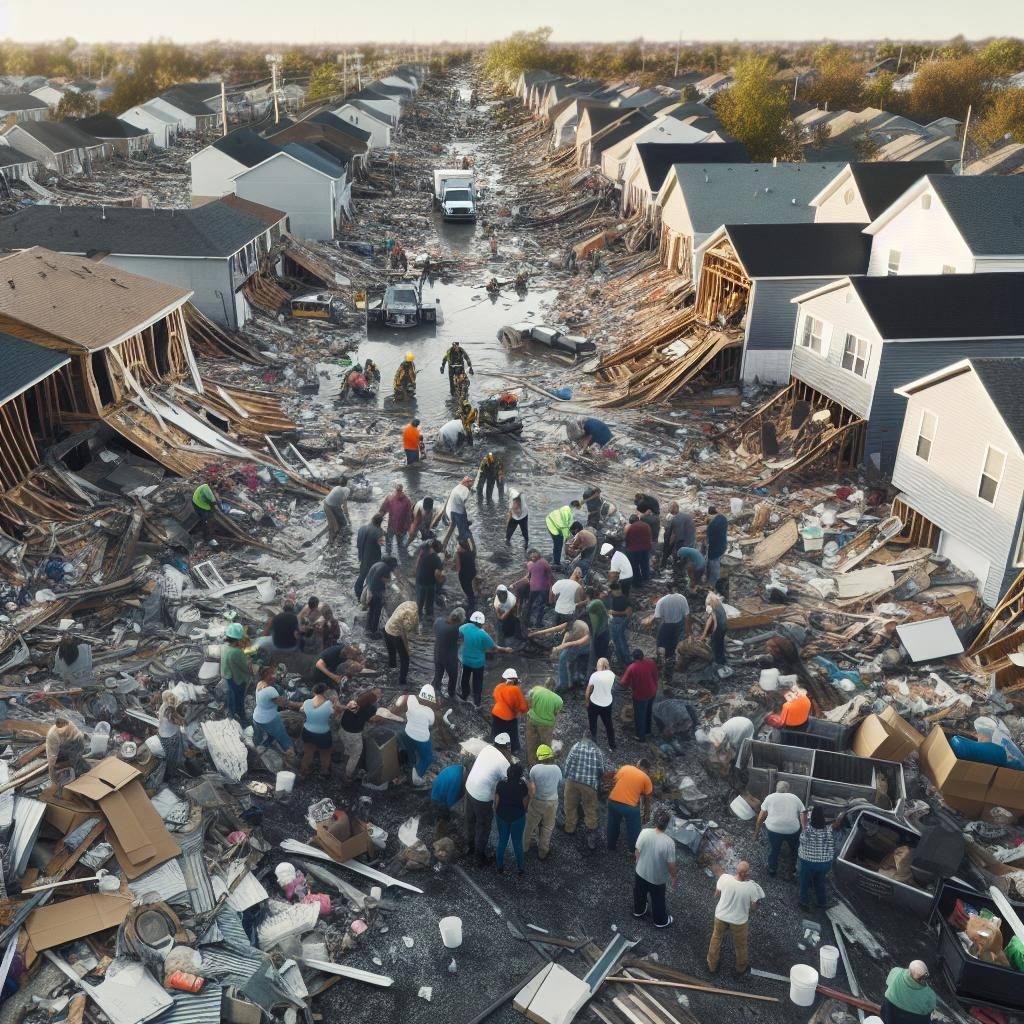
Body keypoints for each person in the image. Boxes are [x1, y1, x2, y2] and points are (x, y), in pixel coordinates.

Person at [706, 862, 764, 977]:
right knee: (740, 945)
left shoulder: (724, 878)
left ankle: (711, 965)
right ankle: (740, 968)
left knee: (716, 938)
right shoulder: (751, 888)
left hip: (721, 916)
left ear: (737, 871)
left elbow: (716, 894)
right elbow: (753, 908)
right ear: (745, 874)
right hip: (739, 921)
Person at [465, 734, 512, 866]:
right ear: (507, 747)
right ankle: (478, 858)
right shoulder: (504, 763)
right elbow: (510, 779)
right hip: (482, 797)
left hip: (469, 788)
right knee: (483, 826)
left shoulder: (486, 749)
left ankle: (469, 847)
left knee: (471, 819)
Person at [633, 808, 677, 928]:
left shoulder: (645, 832)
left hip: (640, 872)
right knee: (658, 899)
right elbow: (671, 864)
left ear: (655, 821)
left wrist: (639, 863)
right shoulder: (669, 843)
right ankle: (660, 921)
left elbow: (637, 851)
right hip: (657, 878)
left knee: (639, 893)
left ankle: (639, 911)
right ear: (667, 825)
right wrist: (673, 877)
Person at [755, 780, 807, 878]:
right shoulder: (794, 798)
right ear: (787, 789)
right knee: (795, 849)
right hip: (792, 830)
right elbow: (803, 812)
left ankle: (772, 869)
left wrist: (756, 832)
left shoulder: (769, 798)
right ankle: (791, 871)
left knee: (774, 849)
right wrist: (804, 829)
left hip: (774, 829)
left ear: (776, 789)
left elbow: (761, 817)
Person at [459, 610, 512, 707]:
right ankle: (477, 702)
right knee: (477, 682)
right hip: (478, 664)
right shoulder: (482, 634)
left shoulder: (463, 627)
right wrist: (505, 649)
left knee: (465, 678)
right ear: (481, 623)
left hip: (465, 660)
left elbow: (458, 638)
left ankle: (464, 695)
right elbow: (494, 648)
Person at [798, 806, 842, 910]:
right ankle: (822, 903)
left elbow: (802, 840)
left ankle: (803, 902)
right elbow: (838, 822)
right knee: (820, 882)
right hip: (825, 864)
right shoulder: (829, 830)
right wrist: (842, 813)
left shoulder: (807, 830)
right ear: (823, 818)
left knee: (804, 883)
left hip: (808, 863)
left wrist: (804, 824)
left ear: (812, 818)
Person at [563, 736, 604, 848]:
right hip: (589, 785)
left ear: (583, 738)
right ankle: (591, 833)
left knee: (570, 806)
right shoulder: (597, 751)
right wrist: (596, 780)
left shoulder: (576, 746)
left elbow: (568, 762)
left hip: (573, 781)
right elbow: (601, 769)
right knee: (590, 808)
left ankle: (569, 828)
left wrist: (566, 776)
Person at [524, 745, 562, 861]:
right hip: (552, 802)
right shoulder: (557, 769)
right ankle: (543, 852)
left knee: (530, 825)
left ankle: (524, 847)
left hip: (537, 801)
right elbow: (559, 782)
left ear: (539, 757)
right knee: (547, 827)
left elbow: (532, 786)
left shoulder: (535, 769)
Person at [607, 759, 653, 852]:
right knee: (634, 829)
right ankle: (633, 850)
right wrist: (647, 813)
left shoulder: (625, 767)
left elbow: (615, 782)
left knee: (612, 825)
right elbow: (647, 799)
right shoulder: (646, 778)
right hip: (630, 808)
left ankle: (611, 846)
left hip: (613, 802)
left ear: (638, 765)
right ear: (646, 769)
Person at [396, 685, 436, 786]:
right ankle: (417, 776)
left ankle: (411, 764)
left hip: (408, 733)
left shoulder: (412, 699)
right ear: (431, 700)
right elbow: (431, 723)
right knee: (427, 758)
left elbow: (401, 700)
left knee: (411, 752)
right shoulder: (430, 712)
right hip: (422, 739)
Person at [495, 761, 529, 875]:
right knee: (517, 843)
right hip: (517, 817)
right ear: (519, 775)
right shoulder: (522, 786)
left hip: (502, 816)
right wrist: (521, 813)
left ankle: (499, 867)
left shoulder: (501, 784)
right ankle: (521, 868)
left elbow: (497, 802)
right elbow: (525, 804)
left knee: (502, 842)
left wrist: (499, 812)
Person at [253, 668, 299, 753]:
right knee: (284, 739)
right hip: (269, 720)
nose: (275, 675)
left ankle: (258, 750)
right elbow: (286, 703)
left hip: (257, 718)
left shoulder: (260, 684)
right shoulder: (270, 690)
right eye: (273, 673)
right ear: (267, 676)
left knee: (260, 737)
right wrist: (305, 704)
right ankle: (291, 757)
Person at [300, 683, 340, 778]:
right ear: (325, 692)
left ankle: (304, 770)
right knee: (325, 753)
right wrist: (335, 701)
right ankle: (324, 771)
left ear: (313, 692)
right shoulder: (328, 704)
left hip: (307, 731)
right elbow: (336, 712)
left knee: (308, 752)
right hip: (323, 733)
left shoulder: (307, 702)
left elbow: (302, 710)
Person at [620, 649, 658, 742]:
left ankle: (640, 736)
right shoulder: (651, 662)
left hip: (640, 695)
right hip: (652, 691)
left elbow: (624, 682)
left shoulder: (632, 667)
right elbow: (655, 675)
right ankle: (647, 731)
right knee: (648, 711)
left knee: (640, 715)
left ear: (633, 657)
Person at [653, 590, 689, 683]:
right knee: (671, 651)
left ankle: (660, 671)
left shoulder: (662, 601)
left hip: (665, 626)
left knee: (661, 648)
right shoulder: (681, 599)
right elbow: (686, 616)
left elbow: (658, 617)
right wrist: (687, 631)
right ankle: (668, 676)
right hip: (676, 627)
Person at [221, 622, 254, 724]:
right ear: (237, 639)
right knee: (239, 699)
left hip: (228, 676)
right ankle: (242, 718)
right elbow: (245, 668)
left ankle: (232, 712)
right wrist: (251, 665)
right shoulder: (237, 652)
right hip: (237, 679)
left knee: (232, 696)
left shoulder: (225, 647)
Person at [525, 681, 563, 767]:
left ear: (544, 685)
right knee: (546, 743)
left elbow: (528, 699)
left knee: (531, 742)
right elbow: (556, 714)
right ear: (554, 688)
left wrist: (532, 708)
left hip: (532, 720)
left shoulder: (536, 689)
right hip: (546, 725)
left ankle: (532, 764)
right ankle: (546, 763)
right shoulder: (558, 700)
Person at [491, 668, 528, 753]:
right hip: (509, 717)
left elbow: (496, 697)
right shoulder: (515, 689)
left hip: (496, 714)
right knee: (513, 735)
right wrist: (520, 711)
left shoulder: (498, 687)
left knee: (497, 733)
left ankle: (497, 749)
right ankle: (514, 750)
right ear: (515, 679)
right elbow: (523, 707)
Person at [45, 716, 86, 791]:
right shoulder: (52, 735)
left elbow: (80, 744)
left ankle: (79, 774)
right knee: (58, 766)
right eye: (62, 733)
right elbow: (51, 758)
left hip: (73, 745)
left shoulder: (72, 728)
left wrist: (78, 757)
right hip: (60, 750)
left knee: (79, 765)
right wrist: (53, 779)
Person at [384, 600, 418, 689]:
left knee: (391, 652)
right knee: (405, 659)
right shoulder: (412, 616)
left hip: (387, 628)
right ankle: (402, 682)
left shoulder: (406, 603)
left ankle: (391, 668)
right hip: (396, 635)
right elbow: (403, 635)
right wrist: (408, 650)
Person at [553, 616, 591, 693]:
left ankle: (564, 685)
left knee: (563, 659)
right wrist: (537, 633)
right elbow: (555, 630)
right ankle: (576, 678)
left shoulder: (570, 633)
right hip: (587, 645)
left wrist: (557, 649)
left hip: (584, 646)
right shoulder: (577, 622)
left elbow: (570, 643)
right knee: (574, 661)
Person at [433, 608, 464, 699]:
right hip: (449, 658)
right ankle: (451, 694)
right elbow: (460, 640)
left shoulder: (438, 621)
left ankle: (435, 691)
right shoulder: (456, 629)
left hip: (437, 653)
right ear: (459, 620)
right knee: (453, 676)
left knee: (438, 675)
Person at [585, 657, 617, 749]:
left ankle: (594, 740)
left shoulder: (594, 675)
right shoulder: (612, 674)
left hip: (594, 703)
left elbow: (588, 691)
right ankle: (612, 745)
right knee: (609, 724)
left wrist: (587, 702)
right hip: (607, 703)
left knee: (593, 721)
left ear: (598, 665)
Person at [364, 556, 398, 636]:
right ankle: (374, 631)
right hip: (376, 591)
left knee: (371, 610)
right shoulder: (385, 568)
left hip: (370, 589)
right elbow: (381, 579)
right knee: (377, 611)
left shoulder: (378, 564)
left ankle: (368, 629)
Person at [354, 514, 385, 599]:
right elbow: (382, 545)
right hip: (372, 558)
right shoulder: (379, 532)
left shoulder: (362, 528)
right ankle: (361, 594)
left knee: (362, 573)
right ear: (380, 523)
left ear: (372, 519)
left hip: (361, 555)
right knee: (367, 576)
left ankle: (358, 592)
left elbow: (358, 543)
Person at [431, 759, 469, 829]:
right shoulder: (457, 780)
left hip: (436, 791)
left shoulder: (459, 767)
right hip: (438, 800)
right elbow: (451, 805)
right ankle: (443, 827)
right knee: (448, 819)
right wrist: (461, 816)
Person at [522, 549, 553, 629]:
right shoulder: (544, 563)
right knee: (542, 605)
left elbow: (530, 574)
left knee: (530, 604)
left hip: (533, 587)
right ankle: (538, 623)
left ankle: (527, 621)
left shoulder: (530, 564)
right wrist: (549, 587)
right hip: (543, 587)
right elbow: (549, 576)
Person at [415, 540, 446, 619]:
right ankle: (429, 615)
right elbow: (438, 574)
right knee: (430, 600)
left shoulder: (423, 552)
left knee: (420, 599)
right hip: (430, 582)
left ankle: (418, 614)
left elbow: (417, 563)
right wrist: (441, 581)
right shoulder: (436, 559)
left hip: (420, 580)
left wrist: (418, 571)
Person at [379, 482, 413, 554]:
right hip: (392, 525)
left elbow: (409, 515)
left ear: (402, 490)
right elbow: (383, 510)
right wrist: (378, 520)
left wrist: (409, 527)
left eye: (399, 491)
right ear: (396, 490)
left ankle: (394, 555)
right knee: (389, 543)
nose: (398, 492)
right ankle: (389, 555)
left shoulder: (407, 501)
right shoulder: (390, 498)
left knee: (398, 543)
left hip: (401, 527)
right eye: (398, 490)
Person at [158, 691, 187, 774]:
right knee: (175, 758)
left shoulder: (162, 706)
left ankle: (172, 773)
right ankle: (174, 775)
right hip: (171, 737)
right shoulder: (169, 710)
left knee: (170, 757)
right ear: (166, 699)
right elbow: (179, 722)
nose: (172, 698)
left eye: (172, 695)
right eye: (169, 697)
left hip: (164, 736)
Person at [702, 592, 730, 678]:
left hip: (719, 627)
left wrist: (707, 633)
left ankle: (717, 667)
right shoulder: (719, 605)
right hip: (724, 627)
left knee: (715, 647)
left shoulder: (710, 606)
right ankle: (723, 663)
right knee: (720, 645)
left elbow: (711, 620)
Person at [662, 502, 696, 569]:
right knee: (686, 563)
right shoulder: (687, 516)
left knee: (679, 563)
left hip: (684, 543)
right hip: (691, 541)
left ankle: (678, 572)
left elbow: (675, 536)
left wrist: (666, 549)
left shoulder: (676, 519)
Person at [704, 506, 728, 590]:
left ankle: (714, 586)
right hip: (723, 546)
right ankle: (711, 582)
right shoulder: (723, 518)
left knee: (714, 568)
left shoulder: (711, 526)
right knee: (715, 565)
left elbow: (708, 540)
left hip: (715, 550)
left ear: (709, 514)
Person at [624, 514, 653, 584]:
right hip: (646, 548)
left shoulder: (630, 527)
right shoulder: (646, 525)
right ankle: (646, 579)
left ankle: (637, 581)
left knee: (635, 565)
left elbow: (626, 538)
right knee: (645, 564)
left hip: (634, 550)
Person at [608, 584, 632, 667]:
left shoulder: (624, 599)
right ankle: (621, 660)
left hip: (619, 621)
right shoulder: (612, 597)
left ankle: (627, 660)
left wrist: (615, 613)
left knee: (621, 641)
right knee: (617, 642)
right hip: (615, 621)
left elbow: (628, 613)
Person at [587, 592, 610, 668]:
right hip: (602, 632)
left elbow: (588, 607)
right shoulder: (599, 606)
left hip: (601, 633)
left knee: (600, 651)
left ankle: (601, 666)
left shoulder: (597, 603)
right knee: (601, 651)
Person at [446, 476, 473, 543]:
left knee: (456, 524)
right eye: (469, 482)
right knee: (463, 531)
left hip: (451, 511)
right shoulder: (466, 490)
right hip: (456, 512)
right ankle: (462, 541)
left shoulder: (457, 488)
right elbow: (465, 506)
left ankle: (447, 542)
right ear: (465, 483)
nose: (471, 484)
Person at [455, 536, 477, 612]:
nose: (457, 547)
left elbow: (458, 568)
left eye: (458, 546)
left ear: (462, 547)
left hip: (465, 575)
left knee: (467, 588)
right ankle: (472, 599)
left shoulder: (461, 555)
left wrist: (457, 555)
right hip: (472, 572)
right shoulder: (470, 552)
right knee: (469, 587)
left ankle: (471, 603)